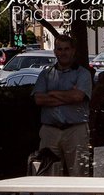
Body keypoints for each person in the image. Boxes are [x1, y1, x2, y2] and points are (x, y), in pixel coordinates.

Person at [32, 34, 92, 176]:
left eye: (66, 49)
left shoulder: (83, 74)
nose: (63, 52)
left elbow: (78, 96)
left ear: (73, 51)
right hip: (50, 130)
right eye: (59, 49)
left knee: (79, 174)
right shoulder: (45, 74)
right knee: (47, 174)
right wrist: (68, 96)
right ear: (55, 51)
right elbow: (39, 100)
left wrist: (52, 93)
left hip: (76, 130)